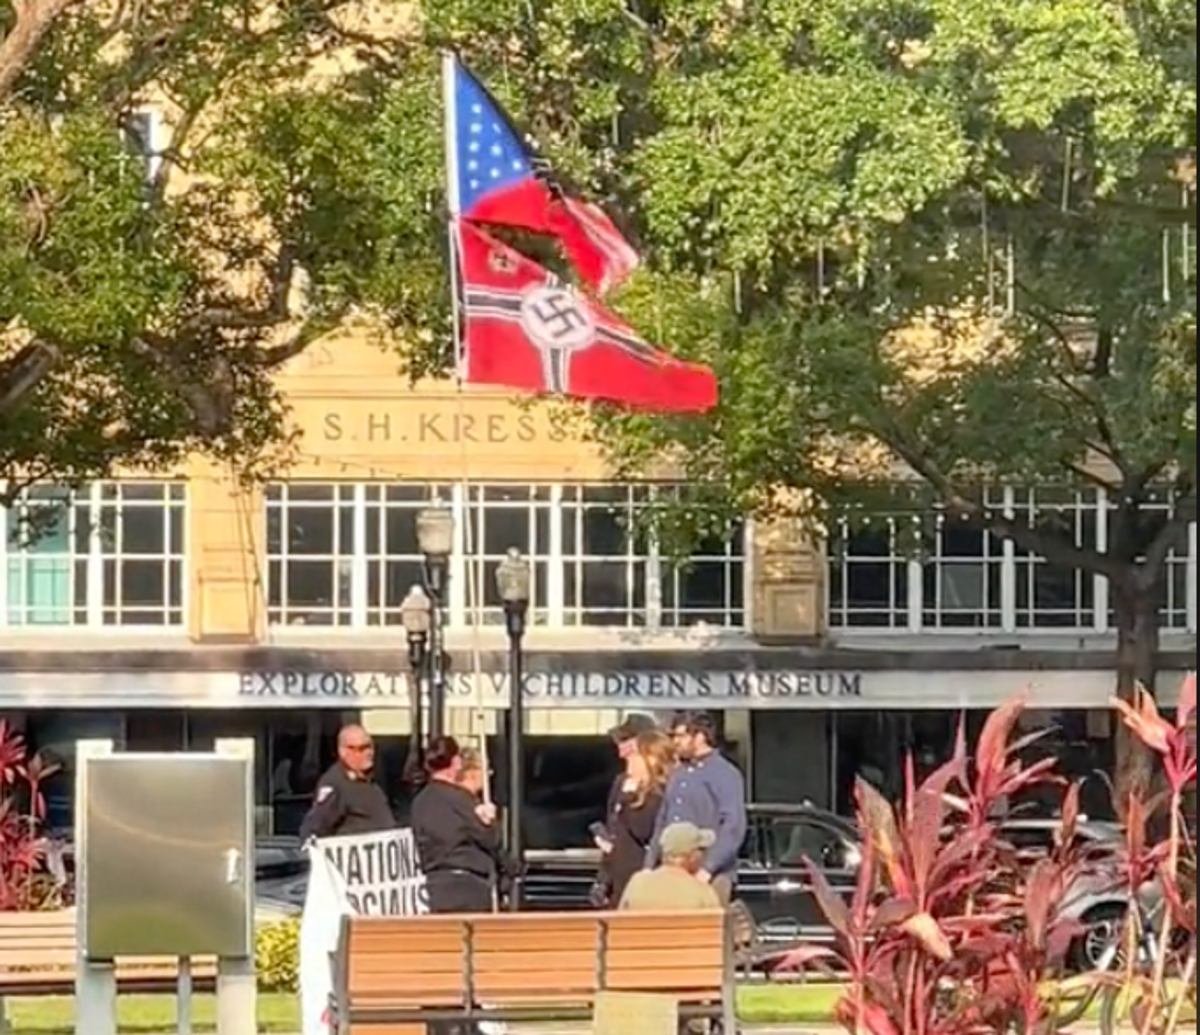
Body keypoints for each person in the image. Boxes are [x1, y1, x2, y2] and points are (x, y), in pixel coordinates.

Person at [648, 712, 747, 906]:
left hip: (708, 874)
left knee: (704, 931)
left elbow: (734, 826)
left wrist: (707, 869)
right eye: (673, 736)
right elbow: (662, 822)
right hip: (671, 872)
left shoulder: (725, 773)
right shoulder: (679, 774)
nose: (675, 742)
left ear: (700, 737)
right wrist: (650, 865)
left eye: (681, 736)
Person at [411, 736, 499, 913]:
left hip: (432, 887)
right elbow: (490, 840)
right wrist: (489, 821)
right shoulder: (461, 800)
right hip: (467, 887)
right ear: (456, 762)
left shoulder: (419, 802)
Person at [596, 728, 675, 906]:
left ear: (652, 759)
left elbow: (644, 830)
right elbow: (614, 823)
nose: (629, 760)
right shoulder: (622, 783)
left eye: (636, 755)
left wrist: (629, 798)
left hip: (641, 878)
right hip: (618, 876)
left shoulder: (659, 793)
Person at [298, 724, 394, 842]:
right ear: (344, 751)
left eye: (370, 747)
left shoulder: (372, 780)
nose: (369, 753)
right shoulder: (335, 784)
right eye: (362, 748)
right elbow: (314, 828)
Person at [619, 822, 723, 911]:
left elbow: (619, 922)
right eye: (701, 850)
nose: (703, 855)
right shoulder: (703, 892)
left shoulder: (637, 883)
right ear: (692, 857)